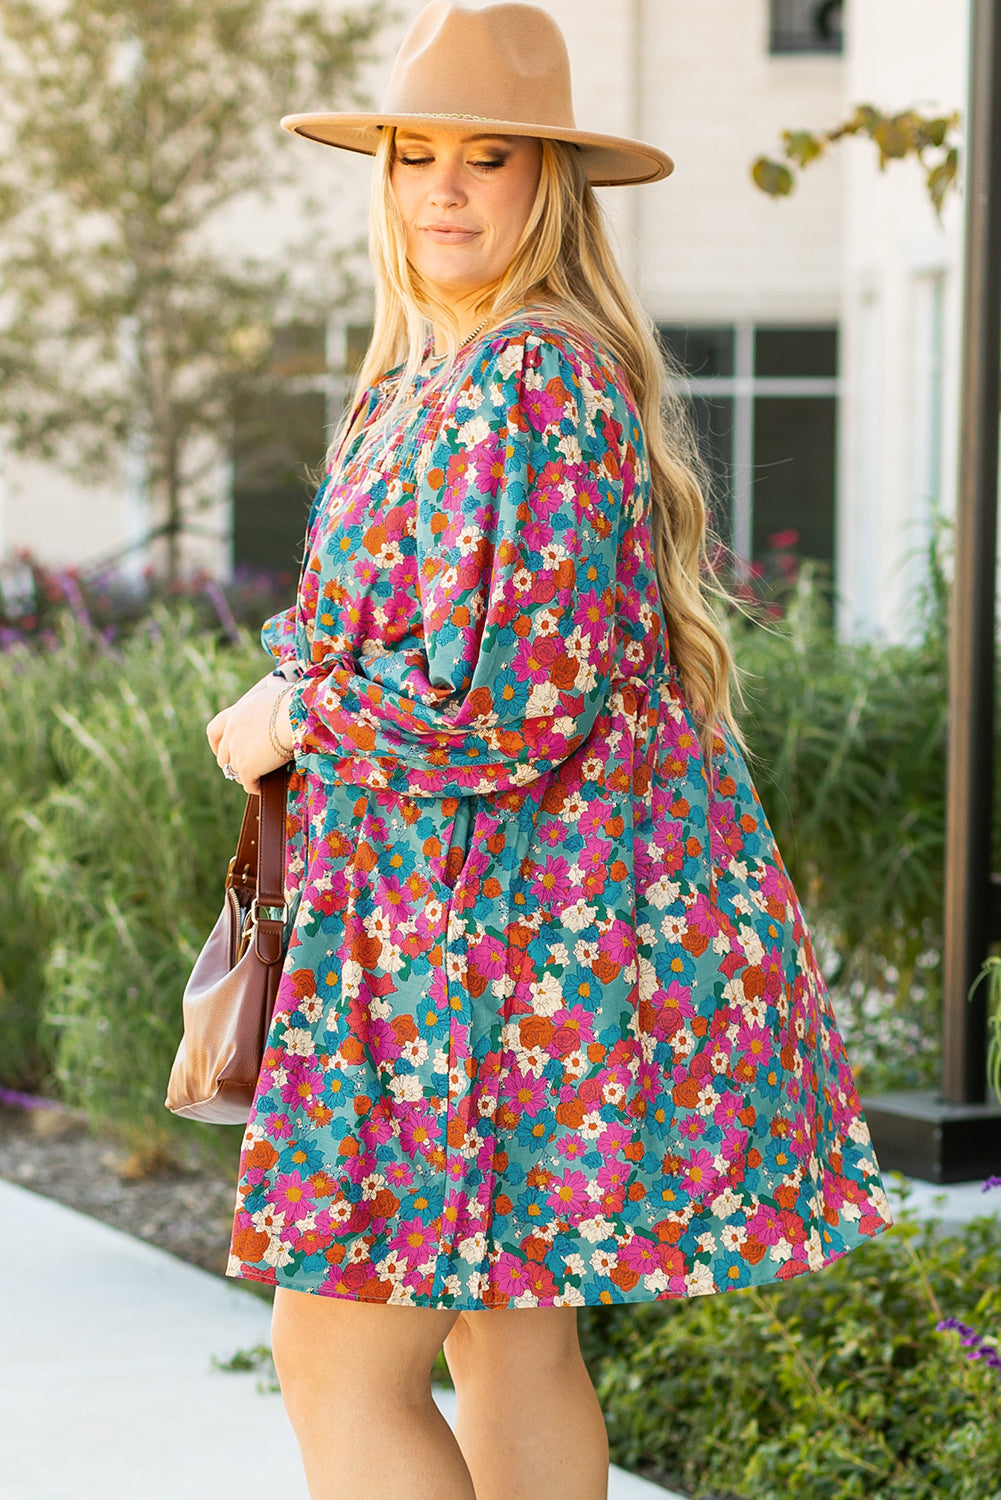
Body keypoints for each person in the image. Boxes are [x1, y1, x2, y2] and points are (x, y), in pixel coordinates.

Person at [206, 3, 893, 1497]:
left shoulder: (533, 377)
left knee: (338, 1357)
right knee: (508, 1339)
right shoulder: (419, 384)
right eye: (416, 157)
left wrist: (292, 716)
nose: (443, 189)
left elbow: (519, 698)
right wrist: (298, 688)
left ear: (548, 186)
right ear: (383, 178)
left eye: (487, 159)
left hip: (491, 949)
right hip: (462, 935)